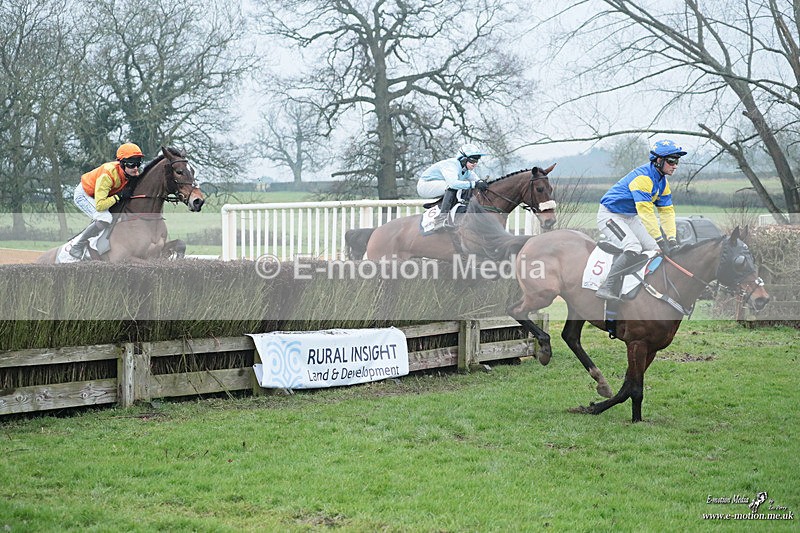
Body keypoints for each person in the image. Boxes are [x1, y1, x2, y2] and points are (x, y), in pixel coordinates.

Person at [595, 139, 686, 301]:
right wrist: (660, 238)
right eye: (671, 161)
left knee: (656, 249)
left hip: (629, 217)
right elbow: (646, 213)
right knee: (633, 246)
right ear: (659, 160)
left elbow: (666, 212)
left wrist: (671, 239)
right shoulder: (643, 178)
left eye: (677, 161)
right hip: (610, 215)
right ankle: (606, 286)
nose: (675, 166)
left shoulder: (662, 182)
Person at [69, 142, 144, 259]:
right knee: (105, 218)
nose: (135, 168)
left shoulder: (131, 172)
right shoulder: (108, 175)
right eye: (131, 164)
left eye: (138, 164)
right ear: (122, 164)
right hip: (84, 194)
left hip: (100, 195)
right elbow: (100, 205)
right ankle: (77, 246)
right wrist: (119, 196)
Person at [417, 143, 489, 228]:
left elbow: (477, 181)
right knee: (453, 186)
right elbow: (453, 184)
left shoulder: (466, 171)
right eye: (472, 161)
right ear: (463, 159)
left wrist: (482, 183)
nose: (475, 164)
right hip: (425, 185)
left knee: (464, 188)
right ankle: (441, 219)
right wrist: (474, 184)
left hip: (437, 184)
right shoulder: (451, 165)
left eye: (476, 161)